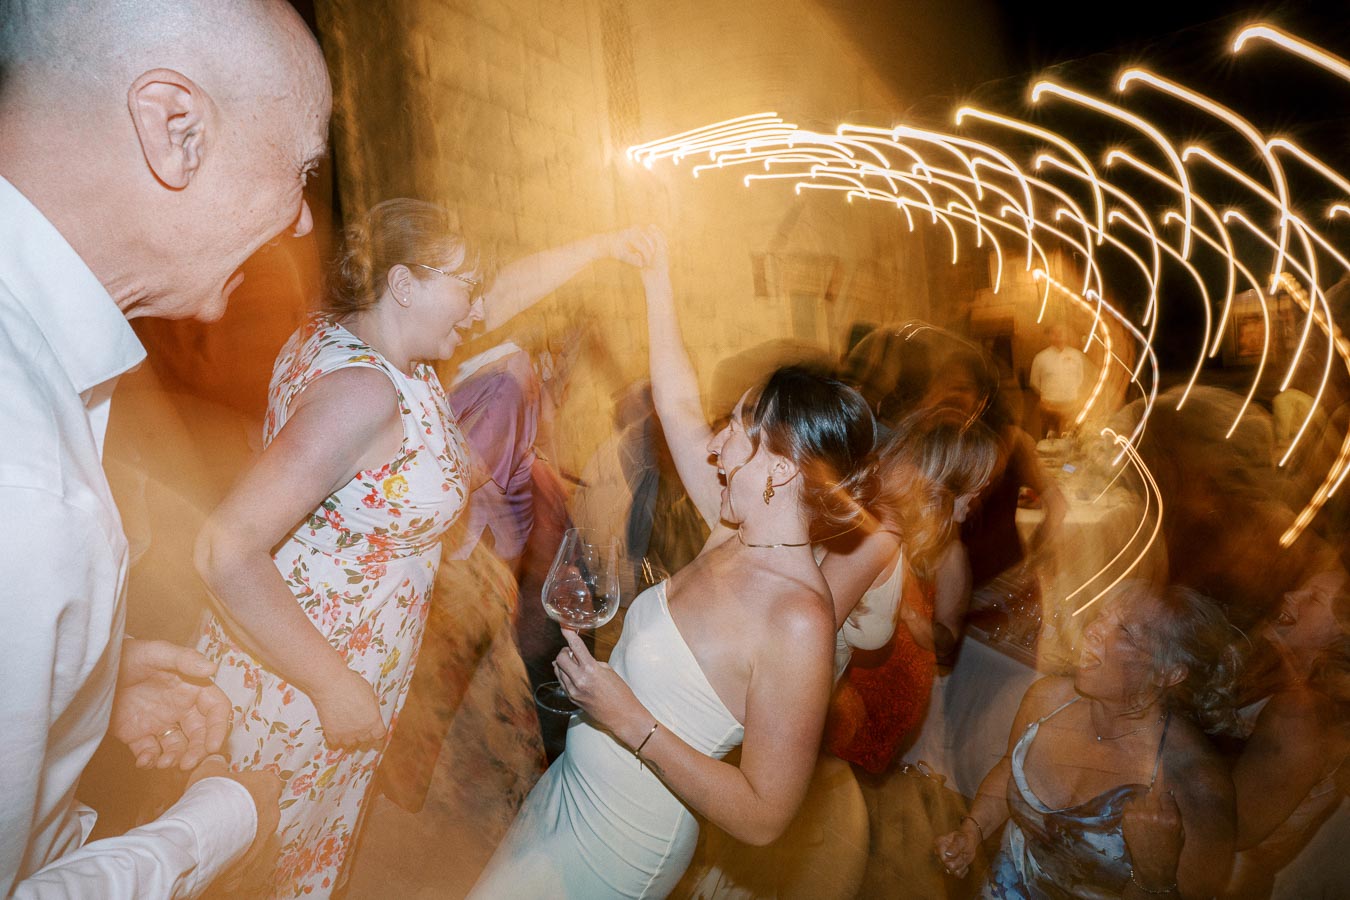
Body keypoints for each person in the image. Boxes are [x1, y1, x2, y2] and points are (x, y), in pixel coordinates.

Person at [195, 198, 648, 897]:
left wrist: (605, 244)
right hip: (299, 686)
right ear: (404, 284)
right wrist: (332, 686)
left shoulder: (368, 340)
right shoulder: (363, 392)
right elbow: (224, 549)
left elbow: (502, 294)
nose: (479, 310)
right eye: (465, 288)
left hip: (337, 667)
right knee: (256, 869)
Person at [0, 0, 331, 894]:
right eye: (300, 167)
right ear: (174, 127)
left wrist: (76, 691)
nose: (304, 222)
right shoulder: (25, 484)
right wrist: (222, 818)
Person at [469, 229, 877, 898]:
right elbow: (679, 402)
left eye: (735, 429)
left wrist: (627, 719)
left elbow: (764, 816)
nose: (713, 445)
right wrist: (656, 277)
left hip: (622, 842)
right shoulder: (731, 529)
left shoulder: (799, 617)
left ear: (780, 468)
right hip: (567, 793)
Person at [935, 582, 1239, 899]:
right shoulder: (1046, 699)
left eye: (1124, 631)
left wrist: (1155, 874)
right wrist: (972, 831)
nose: (1092, 630)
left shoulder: (1197, 785)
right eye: (1101, 616)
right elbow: (1008, 771)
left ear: (1168, 673)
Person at [825, 410, 999, 772]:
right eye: (972, 487)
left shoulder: (916, 537)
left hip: (864, 705)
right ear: (942, 480)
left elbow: (946, 638)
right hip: (828, 705)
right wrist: (834, 697)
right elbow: (813, 628)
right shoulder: (881, 534)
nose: (972, 506)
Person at [1226, 552, 1350, 898]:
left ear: (1342, 635)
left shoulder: (1301, 716)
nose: (1290, 596)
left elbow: (1235, 829)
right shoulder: (1272, 678)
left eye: (1314, 599)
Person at [1029, 322, 1088, 437]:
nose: (1058, 335)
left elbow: (1080, 379)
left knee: (1073, 441)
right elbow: (1035, 383)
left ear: (1067, 334)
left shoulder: (1076, 356)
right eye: (1054, 332)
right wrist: (1050, 402)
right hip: (1049, 411)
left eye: (1061, 332)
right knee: (1049, 443)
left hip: (1071, 409)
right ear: (1049, 336)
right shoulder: (1040, 358)